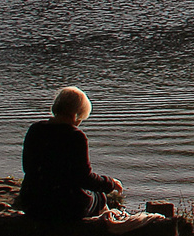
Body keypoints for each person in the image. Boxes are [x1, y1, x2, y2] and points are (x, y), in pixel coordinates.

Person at [16, 86, 124, 222]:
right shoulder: (75, 136)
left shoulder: (35, 130)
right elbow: (85, 178)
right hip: (66, 206)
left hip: (31, 202)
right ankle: (106, 227)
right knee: (99, 196)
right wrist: (111, 183)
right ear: (78, 113)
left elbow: (28, 168)